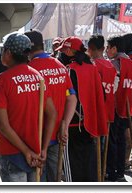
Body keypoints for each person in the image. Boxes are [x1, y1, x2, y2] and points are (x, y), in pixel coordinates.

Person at [0, 33, 57, 182]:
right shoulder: (38, 77)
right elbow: (52, 114)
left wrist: (26, 152)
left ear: (8, 53)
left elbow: (3, 126)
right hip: (36, 154)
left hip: (12, 155)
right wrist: (44, 148)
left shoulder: (0, 81)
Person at [25, 30, 76, 182]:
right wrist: (65, 125)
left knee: (37, 181)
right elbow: (72, 98)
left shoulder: (30, 70)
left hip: (37, 137)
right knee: (55, 180)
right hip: (58, 133)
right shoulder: (60, 65)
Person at [59, 36, 105, 182]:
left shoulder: (69, 70)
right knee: (88, 161)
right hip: (90, 122)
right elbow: (101, 96)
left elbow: (65, 98)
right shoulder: (92, 68)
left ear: (69, 51)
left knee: (73, 164)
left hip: (72, 123)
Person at [105, 35, 132, 181]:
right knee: (121, 140)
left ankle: (112, 171)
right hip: (127, 107)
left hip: (115, 106)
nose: (107, 50)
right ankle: (120, 170)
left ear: (114, 48)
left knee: (113, 141)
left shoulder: (114, 63)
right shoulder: (131, 63)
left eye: (108, 47)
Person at [88, 35, 118, 174]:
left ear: (91, 49)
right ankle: (102, 172)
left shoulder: (93, 66)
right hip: (108, 109)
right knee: (103, 145)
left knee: (94, 145)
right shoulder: (111, 65)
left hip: (95, 111)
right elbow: (115, 87)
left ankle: (96, 174)